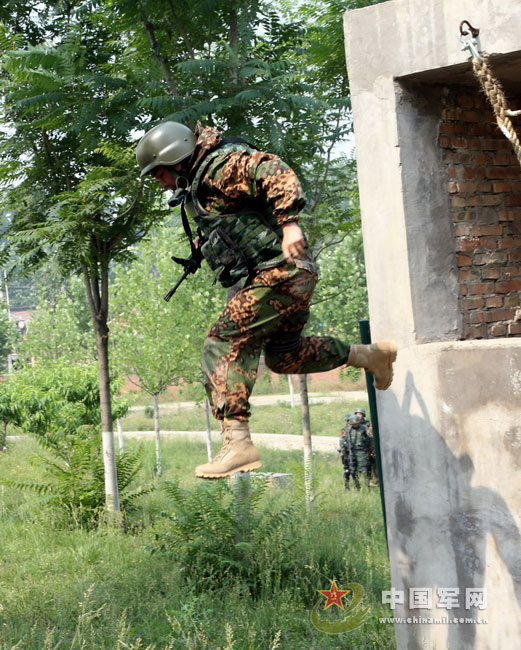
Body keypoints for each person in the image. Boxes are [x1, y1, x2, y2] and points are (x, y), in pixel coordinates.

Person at [136, 121, 397, 479]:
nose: (161, 183)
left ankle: (239, 443)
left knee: (222, 340)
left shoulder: (219, 167)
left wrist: (290, 222)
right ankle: (370, 356)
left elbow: (272, 168)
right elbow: (239, 219)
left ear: (177, 158)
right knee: (284, 356)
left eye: (160, 174)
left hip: (281, 270)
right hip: (291, 274)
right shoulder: (201, 183)